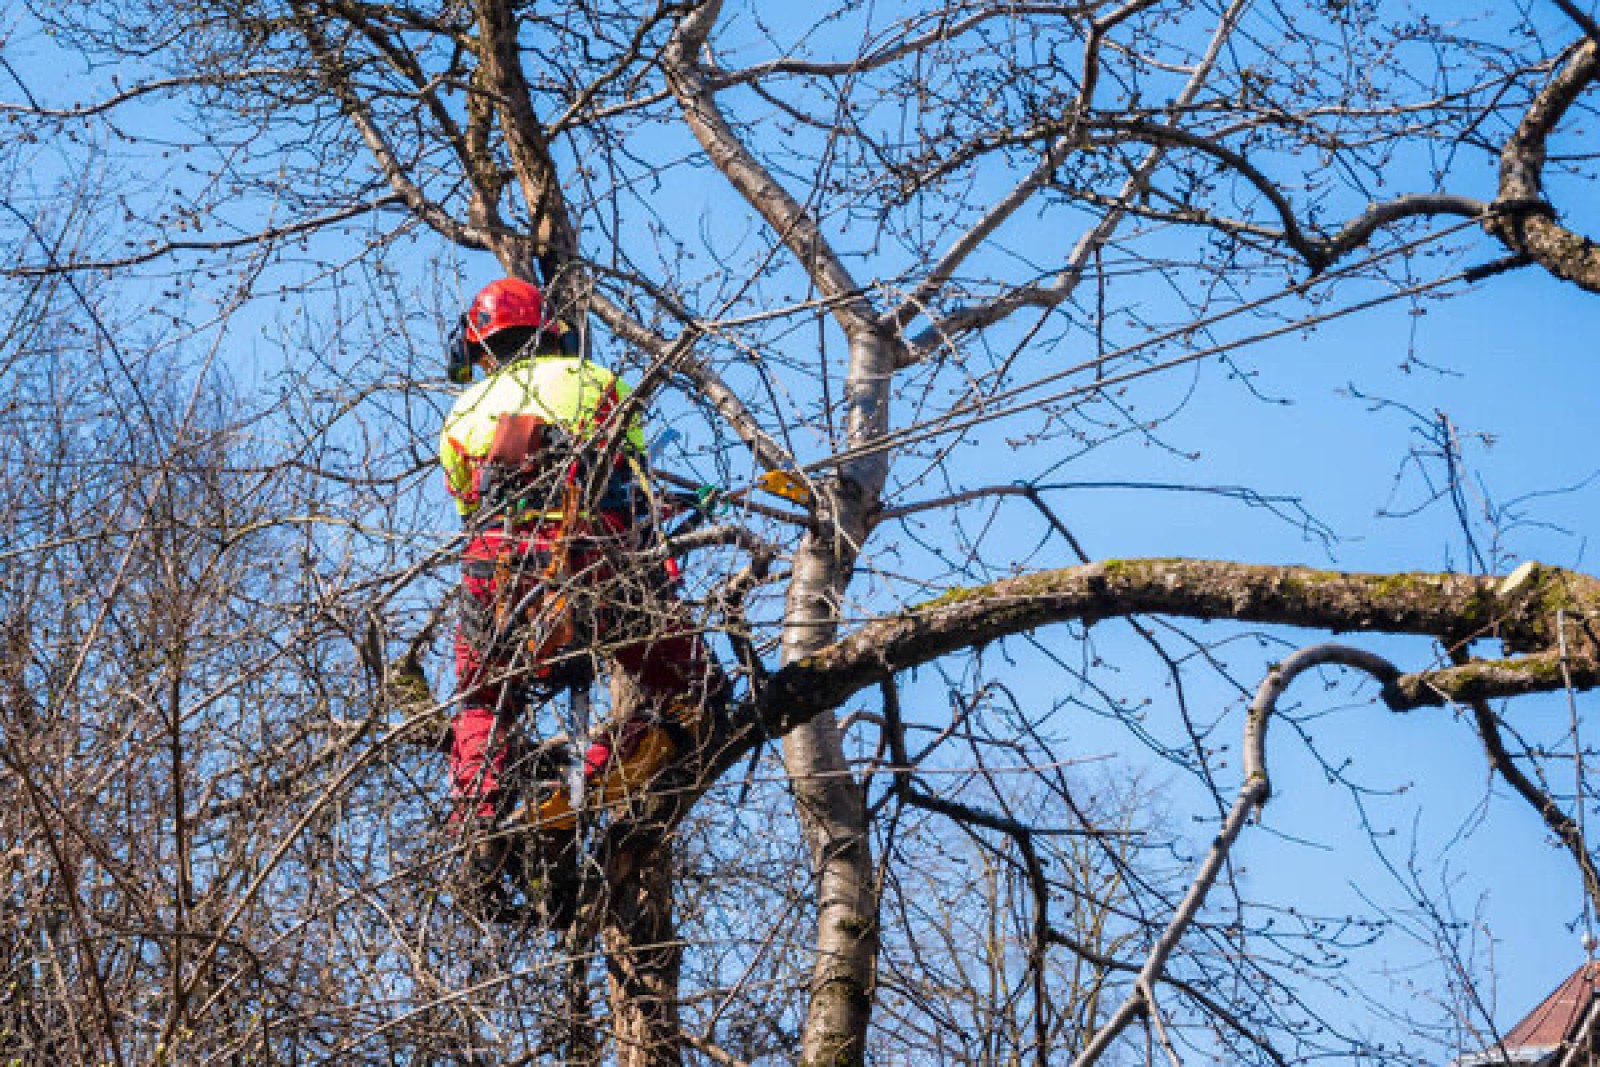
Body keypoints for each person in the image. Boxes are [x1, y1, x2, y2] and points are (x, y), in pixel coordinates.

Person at [439, 276, 724, 921]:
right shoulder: (599, 383)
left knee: (485, 699)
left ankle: (482, 829)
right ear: (551, 333)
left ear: (481, 347)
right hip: (601, 555)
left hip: (502, 567)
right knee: (697, 692)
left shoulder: (460, 416)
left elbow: (470, 509)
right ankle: (583, 786)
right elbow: (636, 489)